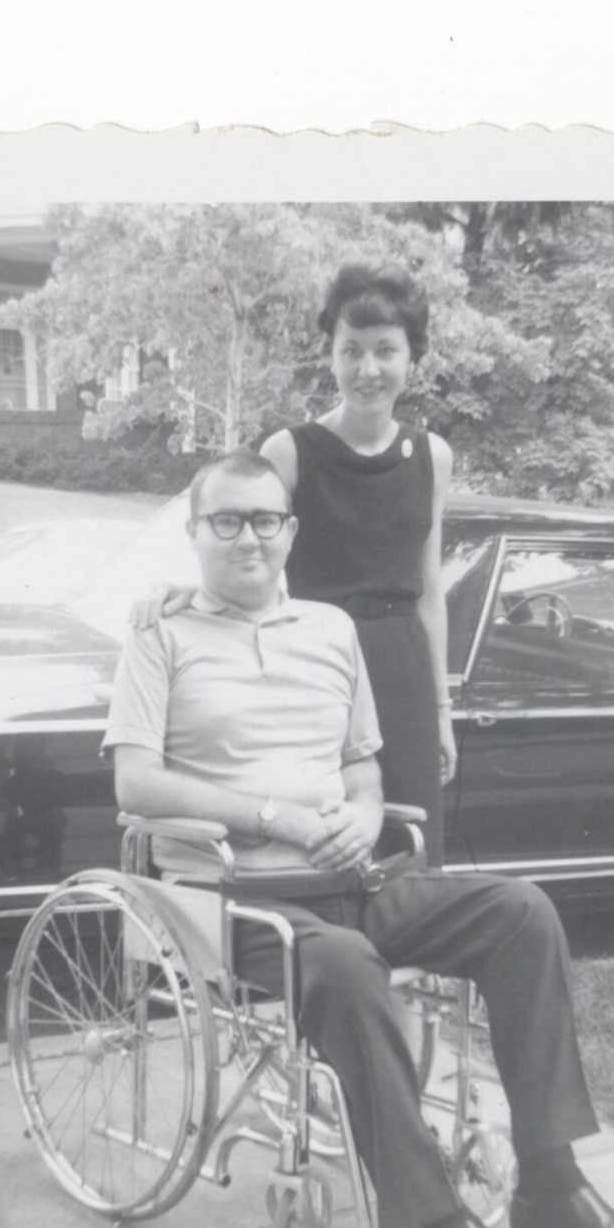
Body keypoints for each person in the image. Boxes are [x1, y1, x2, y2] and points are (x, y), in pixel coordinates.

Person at [103, 450, 614, 1228]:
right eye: (225, 521)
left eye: (264, 520)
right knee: (343, 963)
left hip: (353, 877)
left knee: (523, 912)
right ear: (194, 533)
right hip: (232, 899)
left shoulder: (330, 631)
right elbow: (136, 781)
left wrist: (364, 813)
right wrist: (280, 818)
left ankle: (552, 1187)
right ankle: (440, 1226)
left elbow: (361, 767)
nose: (247, 539)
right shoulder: (160, 635)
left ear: (290, 531)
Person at [134, 262, 455, 865]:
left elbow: (430, 591)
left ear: (412, 356)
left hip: (402, 670)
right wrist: (178, 589)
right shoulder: (291, 450)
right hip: (313, 666)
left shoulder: (432, 456)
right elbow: (238, 527)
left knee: (408, 851)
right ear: (330, 356)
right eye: (350, 350)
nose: (368, 369)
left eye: (386, 350)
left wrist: (441, 711)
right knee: (329, 839)